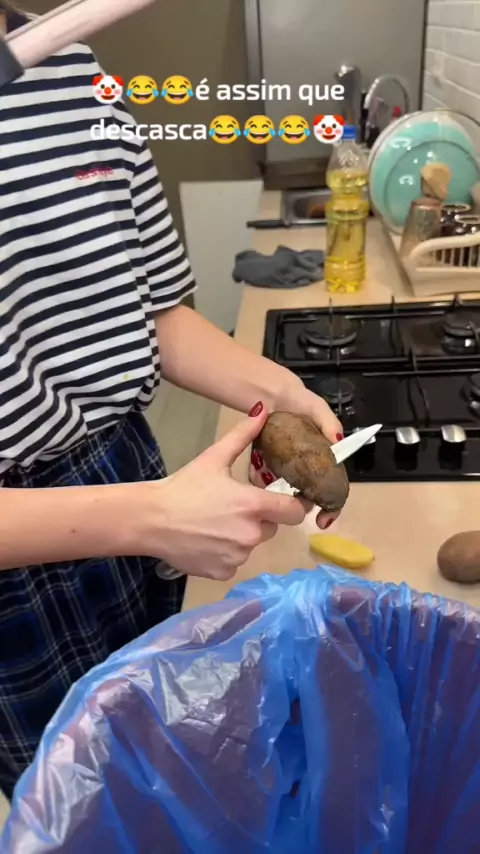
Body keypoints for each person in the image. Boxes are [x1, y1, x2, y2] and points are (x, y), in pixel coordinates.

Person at [0, 4, 343, 798]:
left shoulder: (75, 72)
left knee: (186, 752)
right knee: (92, 801)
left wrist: (282, 392)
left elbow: (151, 313)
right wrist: (149, 517)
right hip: (18, 571)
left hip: (125, 468)